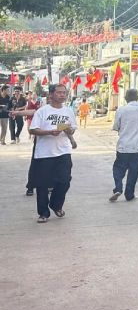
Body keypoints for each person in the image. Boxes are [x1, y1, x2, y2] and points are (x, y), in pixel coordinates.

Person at [28, 83, 77, 223]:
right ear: (51, 95)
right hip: (44, 153)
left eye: (64, 92)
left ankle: (56, 204)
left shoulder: (68, 111)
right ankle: (43, 213)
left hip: (63, 151)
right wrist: (49, 132)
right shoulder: (42, 111)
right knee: (42, 184)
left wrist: (67, 130)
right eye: (59, 92)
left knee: (65, 181)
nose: (62, 95)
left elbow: (72, 129)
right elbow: (33, 130)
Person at [109, 89, 138, 202]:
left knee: (118, 168)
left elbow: (116, 126)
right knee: (134, 171)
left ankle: (118, 187)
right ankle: (129, 195)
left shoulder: (121, 110)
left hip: (124, 146)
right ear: (137, 97)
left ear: (125, 98)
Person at [12, 90, 41, 196]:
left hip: (56, 146)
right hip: (41, 142)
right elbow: (33, 112)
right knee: (35, 165)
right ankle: (30, 186)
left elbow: (67, 126)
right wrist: (18, 113)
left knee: (51, 167)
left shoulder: (64, 110)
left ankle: (49, 185)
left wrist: (71, 139)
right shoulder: (44, 108)